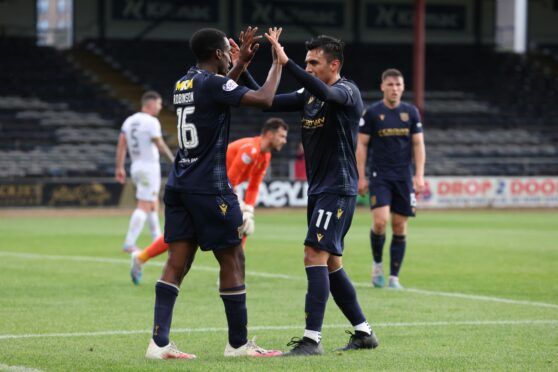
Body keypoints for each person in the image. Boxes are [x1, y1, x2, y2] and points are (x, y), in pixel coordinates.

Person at [144, 26, 284, 360]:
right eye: (227, 51)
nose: (230, 54)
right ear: (219, 53)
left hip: (179, 183)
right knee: (233, 257)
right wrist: (277, 63)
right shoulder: (214, 83)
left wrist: (240, 67)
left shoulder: (183, 83)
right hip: (210, 187)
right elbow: (264, 100)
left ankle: (158, 344)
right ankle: (238, 344)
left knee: (177, 261)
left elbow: (217, 91)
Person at [264, 34, 379, 356]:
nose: (308, 67)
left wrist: (287, 64)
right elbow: (267, 102)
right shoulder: (307, 94)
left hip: (338, 187)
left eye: (314, 62)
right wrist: (242, 68)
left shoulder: (347, 91)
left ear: (334, 64)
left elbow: (325, 91)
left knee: (313, 254)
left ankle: (311, 340)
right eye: (306, 61)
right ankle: (364, 332)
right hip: (319, 189)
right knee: (330, 263)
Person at [129, 118, 289, 284]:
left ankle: (140, 257)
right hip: (205, 185)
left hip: (215, 188)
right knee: (212, 228)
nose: (284, 141)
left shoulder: (265, 155)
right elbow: (231, 179)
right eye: (282, 136)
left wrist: (249, 210)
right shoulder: (250, 151)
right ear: (270, 134)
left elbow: (254, 186)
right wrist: (240, 206)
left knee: (226, 226)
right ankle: (231, 273)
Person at [356, 68, 426, 290]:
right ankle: (377, 266)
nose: (394, 89)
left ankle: (394, 277)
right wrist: (360, 177)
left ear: (403, 88)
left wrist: (419, 175)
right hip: (380, 175)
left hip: (404, 177)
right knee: (380, 222)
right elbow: (362, 146)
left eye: (398, 85)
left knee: (399, 225)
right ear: (382, 87)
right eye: (390, 85)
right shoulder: (372, 113)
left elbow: (418, 144)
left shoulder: (411, 112)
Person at [115, 91, 174, 253]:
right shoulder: (151, 122)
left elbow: (121, 145)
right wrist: (174, 162)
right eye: (159, 104)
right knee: (145, 205)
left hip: (135, 167)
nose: (160, 107)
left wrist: (119, 167)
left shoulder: (129, 121)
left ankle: (157, 239)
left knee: (153, 203)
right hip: (148, 168)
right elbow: (160, 144)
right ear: (151, 104)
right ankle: (129, 242)